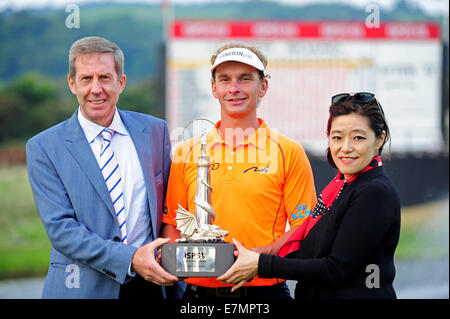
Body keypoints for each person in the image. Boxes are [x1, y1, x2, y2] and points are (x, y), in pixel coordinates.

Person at [26, 36, 178, 299]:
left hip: (152, 287)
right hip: (82, 290)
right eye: (86, 79)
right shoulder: (43, 148)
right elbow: (62, 230)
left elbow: (169, 209)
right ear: (72, 84)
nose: (96, 89)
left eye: (105, 78)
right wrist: (131, 259)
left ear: (121, 82)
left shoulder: (155, 131)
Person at [161, 43, 317, 299]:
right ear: (214, 88)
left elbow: (304, 226)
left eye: (245, 79)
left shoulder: (288, 151)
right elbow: (173, 225)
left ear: (263, 86)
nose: (234, 89)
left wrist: (256, 259)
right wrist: (177, 262)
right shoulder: (186, 151)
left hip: (266, 293)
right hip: (199, 295)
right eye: (225, 79)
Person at [218, 92, 401, 299]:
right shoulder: (341, 185)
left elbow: (335, 268)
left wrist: (261, 265)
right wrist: (251, 256)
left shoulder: (374, 191)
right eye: (337, 137)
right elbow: (310, 250)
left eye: (358, 137)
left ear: (379, 139)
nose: (346, 148)